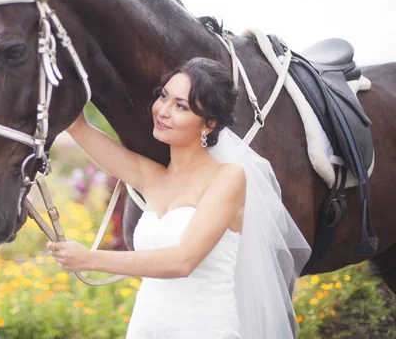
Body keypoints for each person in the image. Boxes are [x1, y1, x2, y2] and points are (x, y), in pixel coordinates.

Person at [47, 57, 312, 338]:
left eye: (180, 106)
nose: (163, 111)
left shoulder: (228, 178)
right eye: (164, 97)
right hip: (145, 329)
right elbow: (78, 127)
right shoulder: (152, 177)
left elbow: (182, 261)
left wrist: (88, 259)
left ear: (208, 124)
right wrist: (59, 67)